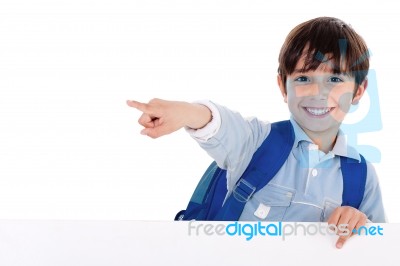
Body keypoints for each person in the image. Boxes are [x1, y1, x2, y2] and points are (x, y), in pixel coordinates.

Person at [126, 17, 386, 249]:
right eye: (304, 79)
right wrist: (186, 112)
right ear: (283, 87)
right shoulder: (257, 141)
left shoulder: (360, 174)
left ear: (359, 91)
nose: (319, 93)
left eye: (335, 79)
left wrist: (360, 224)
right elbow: (221, 124)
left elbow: (380, 249)